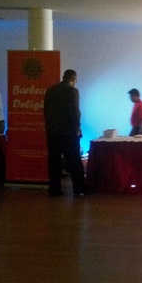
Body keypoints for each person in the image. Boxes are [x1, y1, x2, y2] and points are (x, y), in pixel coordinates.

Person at [44, 69, 88, 197]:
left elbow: (46, 111)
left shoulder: (50, 90)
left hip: (52, 132)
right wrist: (77, 128)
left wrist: (49, 127)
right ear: (73, 79)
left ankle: (54, 189)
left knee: (54, 161)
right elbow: (75, 112)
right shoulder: (72, 91)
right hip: (68, 133)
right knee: (74, 161)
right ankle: (79, 189)